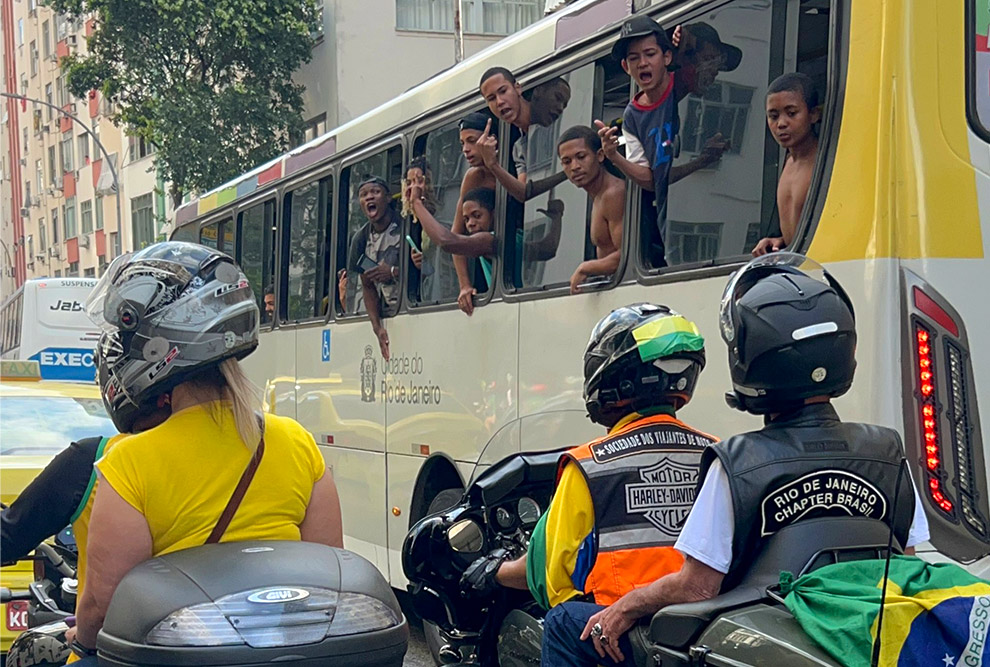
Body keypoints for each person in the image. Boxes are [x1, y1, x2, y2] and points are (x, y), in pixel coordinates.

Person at [543, 255, 930, 666]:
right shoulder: (889, 453)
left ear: (751, 360)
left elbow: (697, 588)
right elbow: (905, 561)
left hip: (750, 635)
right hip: (856, 637)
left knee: (564, 620)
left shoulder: (736, 462)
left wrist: (626, 606)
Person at [69, 242, 344, 663]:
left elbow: (103, 606)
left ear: (158, 343)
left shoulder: (129, 462)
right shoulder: (296, 442)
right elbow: (328, 576)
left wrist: (81, 639)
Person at [459, 304, 716, 663]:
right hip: (702, 629)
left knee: (563, 619)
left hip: (627, 635)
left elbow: (552, 579)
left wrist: (493, 571)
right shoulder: (717, 454)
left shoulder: (590, 465)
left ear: (614, 376)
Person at [407, 185, 562, 293]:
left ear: (494, 214)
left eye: (477, 215)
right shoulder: (516, 237)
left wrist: (416, 203)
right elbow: (548, 249)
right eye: (466, 219)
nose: (471, 224)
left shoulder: (489, 241)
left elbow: (446, 241)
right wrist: (557, 219)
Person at [753, 73, 821, 256]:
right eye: (773, 116)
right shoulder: (785, 163)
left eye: (791, 113)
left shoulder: (826, 162)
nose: (781, 124)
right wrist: (779, 240)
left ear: (813, 114)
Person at [477, 70, 570, 203]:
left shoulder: (560, 128)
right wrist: (492, 165)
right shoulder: (519, 147)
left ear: (518, 88)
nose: (499, 102)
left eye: (503, 91)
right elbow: (524, 193)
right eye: (491, 99)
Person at [555, 126, 626, 294]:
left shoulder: (613, 193)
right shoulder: (597, 195)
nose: (575, 167)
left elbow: (625, 255)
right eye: (567, 162)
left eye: (581, 157)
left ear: (600, 155)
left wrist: (586, 268)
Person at [341, 176, 402, 360]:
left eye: (375, 192)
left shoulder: (406, 225)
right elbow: (367, 286)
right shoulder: (360, 239)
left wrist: (391, 272)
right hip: (389, 313)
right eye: (363, 195)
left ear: (388, 198)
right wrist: (377, 328)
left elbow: (426, 269)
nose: (369, 198)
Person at [452, 111, 498, 315]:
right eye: (462, 144)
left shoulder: (514, 167)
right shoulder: (472, 177)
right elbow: (456, 238)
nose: (465, 150)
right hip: (485, 263)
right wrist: (464, 285)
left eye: (471, 141)